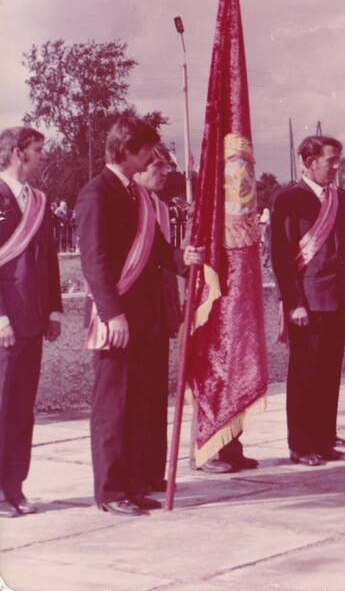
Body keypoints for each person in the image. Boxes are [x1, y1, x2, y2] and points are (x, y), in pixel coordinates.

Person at [77, 116, 203, 516]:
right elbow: (94, 261)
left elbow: (159, 252)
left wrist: (186, 260)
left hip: (144, 318)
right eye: (147, 150)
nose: (152, 156)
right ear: (128, 150)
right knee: (113, 406)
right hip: (116, 318)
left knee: (136, 406)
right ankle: (110, 491)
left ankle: (131, 484)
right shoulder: (97, 193)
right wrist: (112, 314)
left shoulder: (137, 196)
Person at [271, 136, 345, 467]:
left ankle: (325, 440)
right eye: (331, 160)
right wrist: (293, 302)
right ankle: (301, 444)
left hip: (337, 297)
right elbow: (282, 257)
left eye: (339, 159)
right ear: (309, 162)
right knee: (305, 375)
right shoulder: (289, 199)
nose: (337, 166)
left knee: (329, 373)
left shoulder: (343, 197)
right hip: (308, 302)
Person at [0, 127, 62, 518]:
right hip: (5, 324)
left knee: (23, 408)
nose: (43, 156)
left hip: (34, 321)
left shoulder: (39, 201)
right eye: (38, 150)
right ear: (18, 153)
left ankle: (14, 488)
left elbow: (49, 259)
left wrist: (54, 309)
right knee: (1, 407)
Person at [131, 143, 183, 494]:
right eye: (157, 166)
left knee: (155, 401)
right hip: (135, 316)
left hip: (160, 313)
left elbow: (166, 259)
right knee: (136, 402)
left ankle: (152, 471)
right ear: (137, 169)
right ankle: (134, 474)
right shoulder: (130, 205)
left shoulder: (161, 207)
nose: (164, 172)